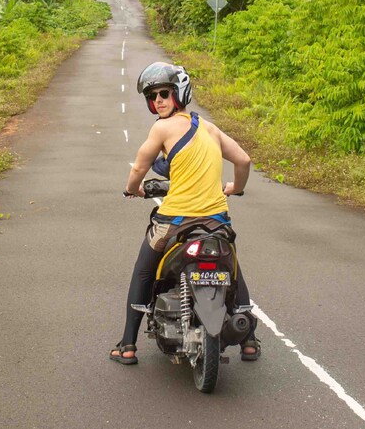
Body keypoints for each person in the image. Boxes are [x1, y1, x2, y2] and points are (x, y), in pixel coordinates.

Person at [110, 61, 260, 365]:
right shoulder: (210, 128)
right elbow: (243, 160)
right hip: (217, 221)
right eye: (152, 97)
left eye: (164, 93)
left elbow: (139, 167)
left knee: (143, 271)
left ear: (179, 91)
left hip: (174, 222)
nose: (158, 101)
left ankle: (127, 345)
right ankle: (250, 341)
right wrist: (235, 188)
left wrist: (132, 189)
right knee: (230, 265)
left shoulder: (162, 128)